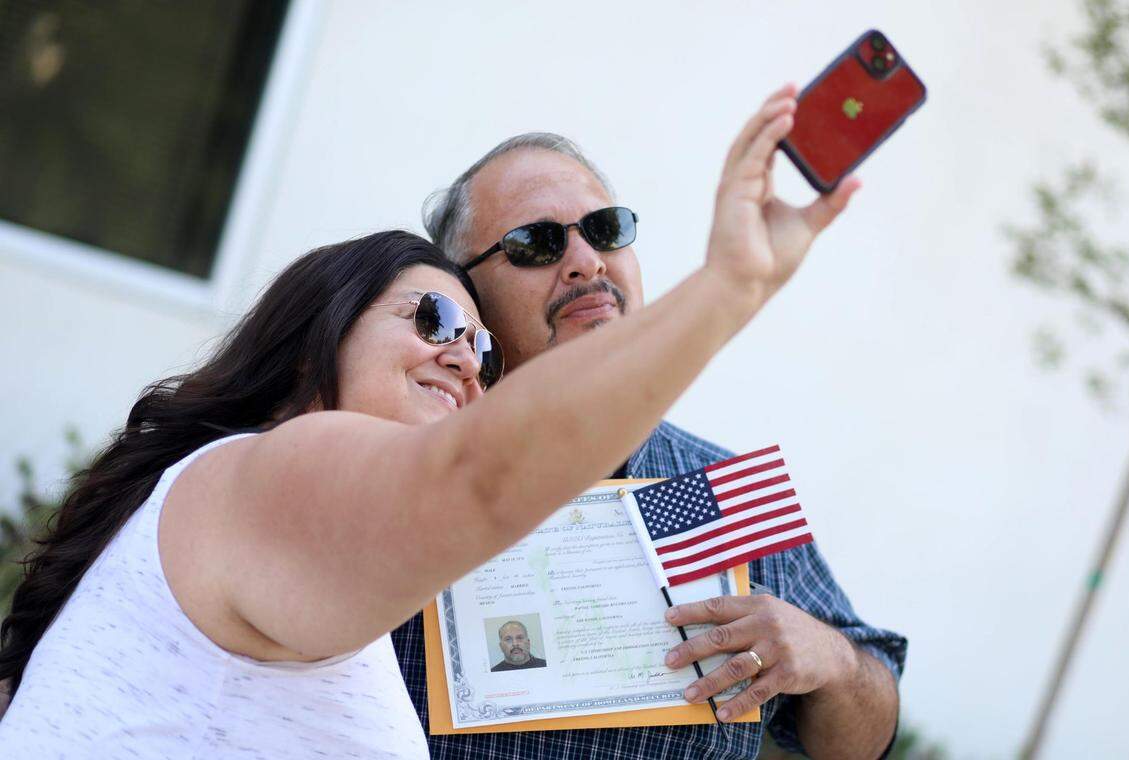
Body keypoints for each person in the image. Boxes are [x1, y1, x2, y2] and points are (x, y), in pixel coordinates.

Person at [0, 87, 822, 759]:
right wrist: (729, 287)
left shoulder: (256, 510)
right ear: (314, 337)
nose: (466, 359)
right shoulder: (270, 476)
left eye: (483, 348)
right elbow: (480, 479)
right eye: (432, 318)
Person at [399, 83, 907, 759]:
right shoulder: (405, 474)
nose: (586, 261)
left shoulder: (718, 489)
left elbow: (863, 742)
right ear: (462, 292)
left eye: (605, 230)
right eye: (536, 244)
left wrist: (831, 663)